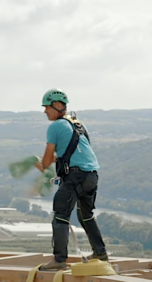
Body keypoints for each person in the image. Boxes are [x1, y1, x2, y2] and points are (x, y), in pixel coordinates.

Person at [35, 88, 109, 271]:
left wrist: (41, 165)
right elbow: (67, 154)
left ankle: (59, 260)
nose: (45, 111)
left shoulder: (55, 126)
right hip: (91, 175)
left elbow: (47, 159)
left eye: (47, 107)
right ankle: (101, 253)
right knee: (86, 215)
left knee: (60, 216)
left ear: (58, 106)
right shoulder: (78, 124)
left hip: (75, 176)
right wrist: (47, 162)